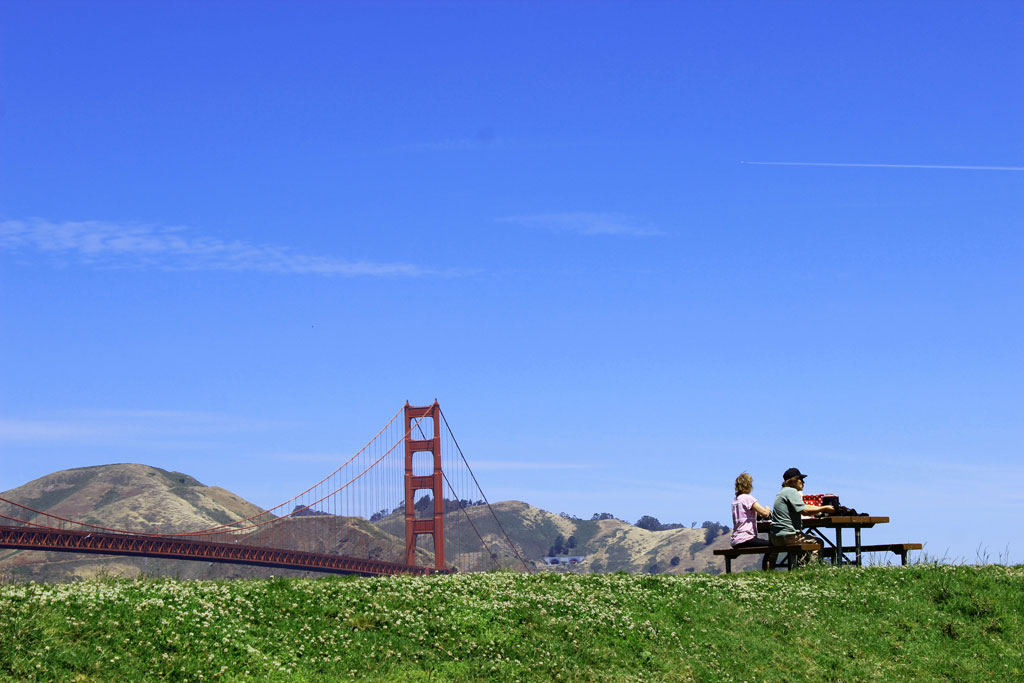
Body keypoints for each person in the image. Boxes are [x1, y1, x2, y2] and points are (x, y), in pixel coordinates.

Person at [770, 467, 834, 564]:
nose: (803, 482)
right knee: (818, 543)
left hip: (775, 537)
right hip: (788, 536)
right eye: (801, 479)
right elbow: (805, 510)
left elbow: (804, 506)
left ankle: (801, 567)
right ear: (794, 480)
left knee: (805, 543)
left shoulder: (781, 493)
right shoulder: (792, 491)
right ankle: (811, 570)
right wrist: (824, 508)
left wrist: (818, 508)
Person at [730, 472, 772, 548]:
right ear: (748, 485)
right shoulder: (748, 498)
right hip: (745, 538)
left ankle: (768, 561)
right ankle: (769, 560)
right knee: (772, 545)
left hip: (735, 540)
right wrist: (767, 508)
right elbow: (765, 513)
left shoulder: (735, 500)